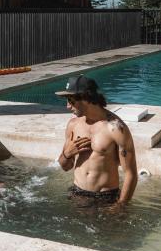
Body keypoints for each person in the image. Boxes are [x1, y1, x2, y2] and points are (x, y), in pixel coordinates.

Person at [55, 75, 138, 208]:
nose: (67, 107)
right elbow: (65, 167)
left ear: (86, 98)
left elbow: (131, 174)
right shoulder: (73, 125)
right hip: (77, 194)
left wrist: (120, 206)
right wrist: (67, 154)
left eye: (71, 101)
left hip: (106, 198)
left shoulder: (115, 128)